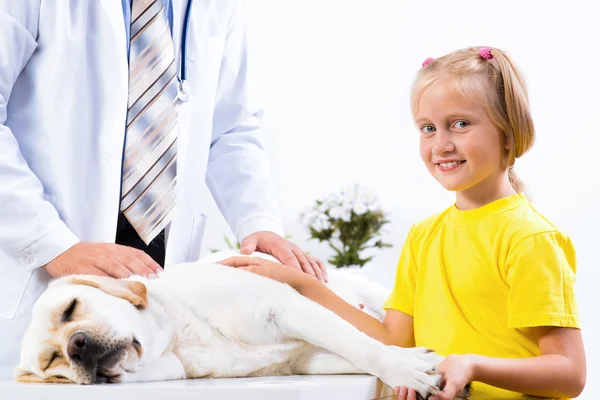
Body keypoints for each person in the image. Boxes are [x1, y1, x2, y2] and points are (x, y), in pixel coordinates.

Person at [222, 46, 587, 399]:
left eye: (460, 124)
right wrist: (297, 282)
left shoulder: (529, 238)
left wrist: (474, 366)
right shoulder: (424, 236)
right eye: (428, 128)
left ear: (509, 133)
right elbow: (394, 342)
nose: (440, 144)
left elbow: (569, 375)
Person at [0, 0, 326, 380]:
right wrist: (50, 243)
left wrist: (257, 220)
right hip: (41, 267)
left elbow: (232, 128)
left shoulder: (215, 9)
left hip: (155, 287)